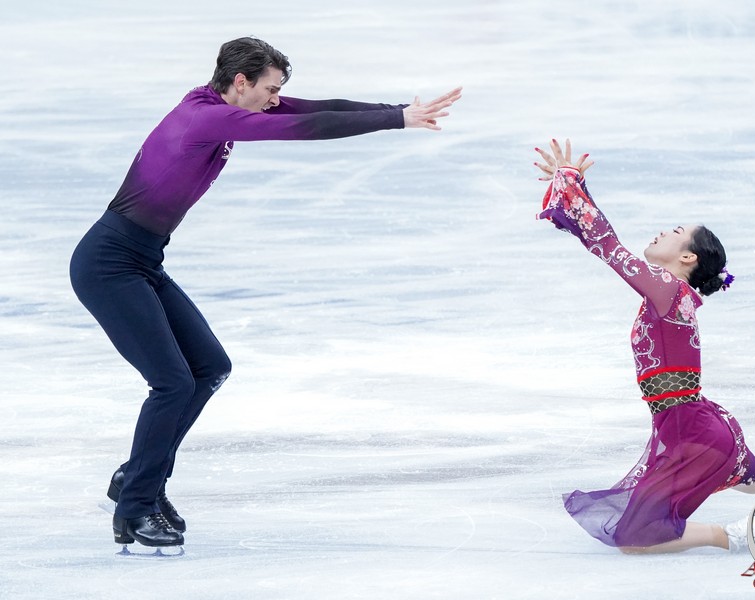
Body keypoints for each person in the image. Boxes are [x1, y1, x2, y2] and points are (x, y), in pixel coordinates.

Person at [70, 36, 462, 550]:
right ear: (240, 82)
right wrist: (397, 121)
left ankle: (136, 477)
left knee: (209, 368)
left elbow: (317, 109)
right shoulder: (205, 118)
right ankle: (134, 509)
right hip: (109, 264)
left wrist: (397, 112)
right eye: (270, 89)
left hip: (142, 259)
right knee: (171, 383)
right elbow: (306, 128)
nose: (276, 100)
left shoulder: (222, 104)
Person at [534, 139, 755, 555]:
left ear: (688, 257)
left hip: (691, 430)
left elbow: (608, 246)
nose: (662, 232)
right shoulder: (672, 294)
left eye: (675, 232)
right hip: (698, 424)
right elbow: (599, 241)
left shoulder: (668, 289)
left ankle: (741, 533)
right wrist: (576, 189)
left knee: (635, 537)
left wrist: (570, 183)